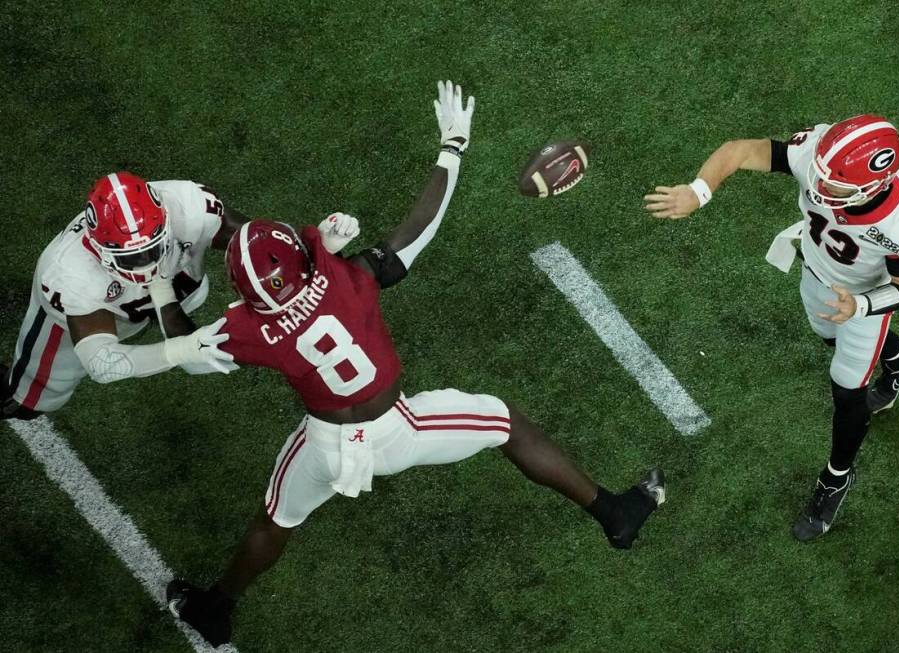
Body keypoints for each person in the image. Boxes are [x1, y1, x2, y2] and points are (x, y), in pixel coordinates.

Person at [167, 81, 665, 646]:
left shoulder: (247, 328)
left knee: (275, 518)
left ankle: (215, 607)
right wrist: (452, 146)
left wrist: (162, 294)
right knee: (506, 422)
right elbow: (418, 228)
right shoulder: (344, 279)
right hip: (394, 431)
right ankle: (615, 515)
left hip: (324, 444)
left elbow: (190, 353)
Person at [643, 115, 899, 541]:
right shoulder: (819, 158)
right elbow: (739, 150)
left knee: (846, 387)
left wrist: (862, 305)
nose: (817, 186)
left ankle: (836, 478)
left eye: (832, 184)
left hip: (862, 306)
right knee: (826, 338)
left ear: (871, 188)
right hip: (816, 274)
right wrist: (698, 191)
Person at [1, 173, 243, 419]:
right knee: (26, 402)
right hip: (86, 316)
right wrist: (180, 351)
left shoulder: (189, 205)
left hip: (153, 300)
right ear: (99, 249)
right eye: (131, 258)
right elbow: (103, 363)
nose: (147, 263)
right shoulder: (70, 274)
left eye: (153, 248)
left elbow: (263, 240)